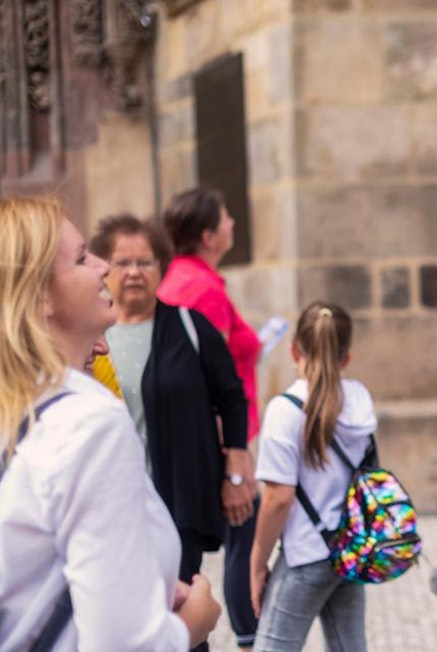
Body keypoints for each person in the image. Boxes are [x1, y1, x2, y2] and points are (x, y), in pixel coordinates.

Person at [0, 196, 221, 650]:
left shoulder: (22, 404)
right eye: (82, 258)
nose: (104, 267)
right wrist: (194, 622)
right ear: (40, 294)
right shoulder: (88, 424)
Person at [88, 214, 254, 650]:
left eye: (146, 261)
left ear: (162, 265)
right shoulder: (91, 337)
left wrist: (236, 466)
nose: (134, 273)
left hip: (177, 500)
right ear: (103, 268)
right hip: (113, 502)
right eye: (123, 262)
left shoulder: (188, 327)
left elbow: (232, 397)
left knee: (178, 601)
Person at [157, 188, 261, 648]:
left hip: (202, 441)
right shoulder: (202, 290)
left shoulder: (180, 279)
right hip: (220, 444)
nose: (233, 223)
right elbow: (208, 383)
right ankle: (248, 636)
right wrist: (232, 465)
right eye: (226, 218)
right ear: (208, 235)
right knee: (243, 540)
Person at [250, 301, 376, 652]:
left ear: (294, 350)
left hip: (305, 554)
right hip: (350, 548)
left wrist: (257, 563)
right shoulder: (359, 398)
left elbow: (277, 500)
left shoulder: (284, 410)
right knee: (349, 646)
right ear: (346, 357)